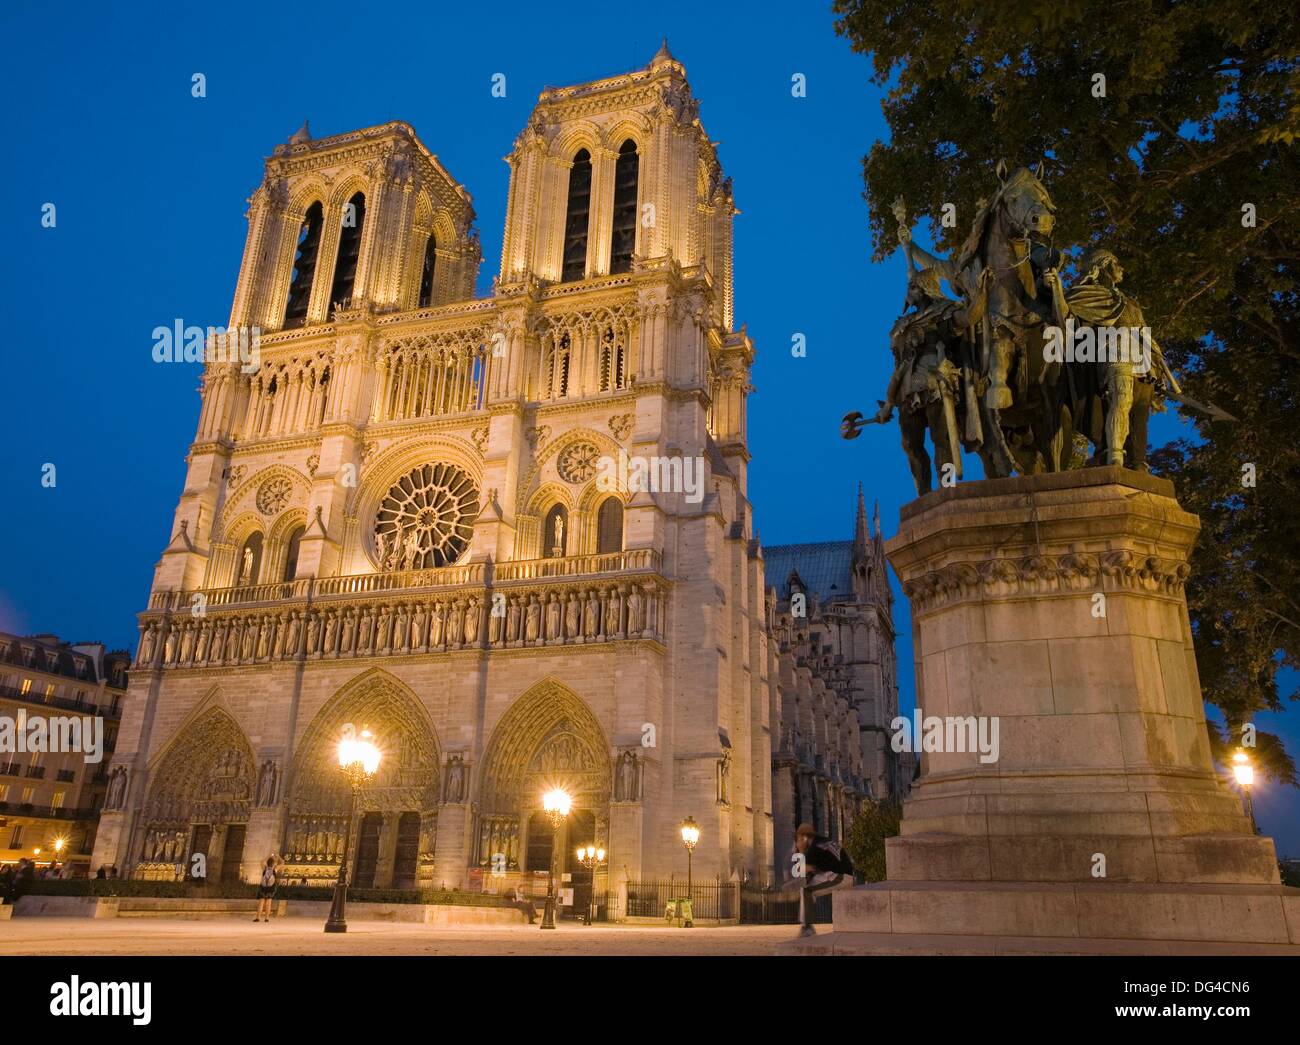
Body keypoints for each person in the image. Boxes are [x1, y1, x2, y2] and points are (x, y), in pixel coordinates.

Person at [792, 823, 854, 937]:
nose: (798, 842)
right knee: (809, 886)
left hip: (839, 877)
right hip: (843, 874)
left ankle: (807, 928)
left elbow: (802, 873)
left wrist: (801, 850)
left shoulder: (813, 847)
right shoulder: (823, 841)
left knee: (806, 891)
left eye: (799, 839)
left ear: (804, 838)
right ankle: (809, 910)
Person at [254, 854, 283, 922]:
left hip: (263, 887)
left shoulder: (265, 868)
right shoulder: (275, 869)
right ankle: (266, 918)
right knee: (268, 903)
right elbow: (282, 862)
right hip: (271, 888)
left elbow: (261, 862)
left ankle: (258, 917)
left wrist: (268, 856)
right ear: (273, 863)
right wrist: (278, 856)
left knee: (261, 902)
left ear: (267, 863)